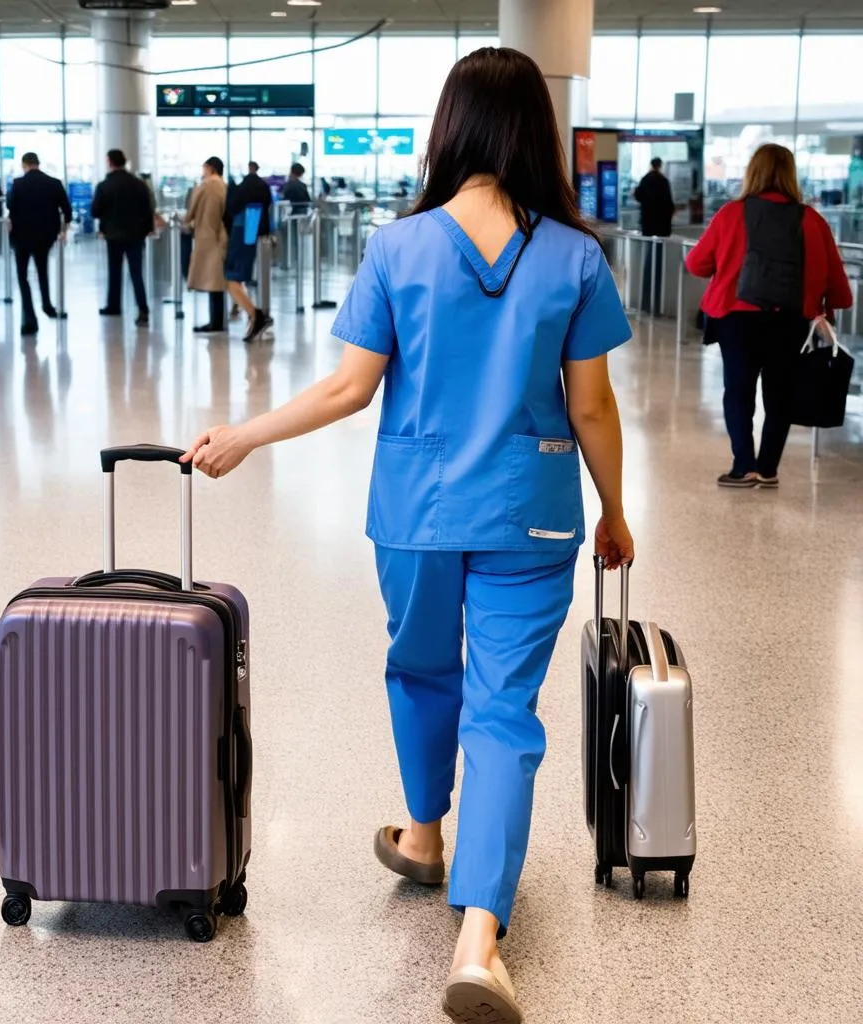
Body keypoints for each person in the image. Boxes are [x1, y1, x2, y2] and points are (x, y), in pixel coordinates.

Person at [180, 47, 634, 1024]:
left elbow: (349, 388)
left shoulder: (398, 247)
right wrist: (615, 511)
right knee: (504, 713)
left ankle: (426, 834)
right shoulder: (573, 254)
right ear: (535, 135)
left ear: (450, 129)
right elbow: (592, 408)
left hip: (419, 515)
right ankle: (478, 940)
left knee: (423, 670)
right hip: (533, 512)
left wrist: (243, 437)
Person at [686, 143, 852, 488]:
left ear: (753, 172)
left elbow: (696, 263)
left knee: (738, 392)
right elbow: (839, 286)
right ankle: (768, 469)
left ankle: (743, 466)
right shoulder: (812, 220)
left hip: (737, 319)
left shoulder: (731, 214)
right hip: (790, 321)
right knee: (779, 396)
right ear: (791, 175)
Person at [6, 152, 72, 337]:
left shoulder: (18, 184)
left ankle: (30, 319)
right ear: (38, 163)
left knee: (22, 276)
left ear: (24, 165)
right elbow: (67, 210)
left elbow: (11, 207)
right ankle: (47, 305)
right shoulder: (54, 183)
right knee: (42, 271)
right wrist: (63, 229)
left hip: (22, 237)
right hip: (45, 236)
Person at [91, 149, 155, 327]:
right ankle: (143, 309)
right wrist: (148, 229)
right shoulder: (139, 184)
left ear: (110, 162)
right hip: (135, 235)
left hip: (113, 235)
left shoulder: (104, 185)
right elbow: (148, 208)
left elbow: (95, 211)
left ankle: (113, 306)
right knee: (136, 273)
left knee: (114, 271)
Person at [224, 160, 273, 341]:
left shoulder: (242, 191)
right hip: (254, 231)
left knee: (231, 277)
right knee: (236, 276)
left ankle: (256, 315)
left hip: (242, 230)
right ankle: (252, 313)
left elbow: (233, 208)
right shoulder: (262, 187)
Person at [185, 156, 229, 334]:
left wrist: (188, 222)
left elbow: (193, 210)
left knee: (214, 281)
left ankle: (216, 322)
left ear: (211, 168)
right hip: (220, 236)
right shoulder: (223, 186)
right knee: (217, 281)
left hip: (209, 237)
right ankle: (217, 320)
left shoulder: (208, 185)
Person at [633, 157, 675, 315]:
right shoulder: (664, 181)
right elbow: (670, 205)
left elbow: (638, 196)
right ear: (660, 165)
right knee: (658, 267)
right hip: (661, 231)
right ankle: (656, 305)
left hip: (648, 229)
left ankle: (645, 303)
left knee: (647, 266)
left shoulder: (645, 179)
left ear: (651, 165)